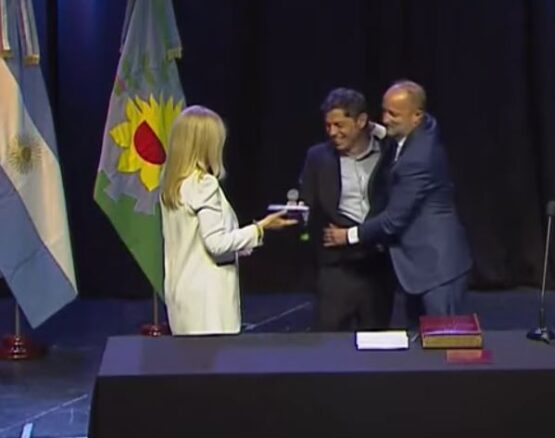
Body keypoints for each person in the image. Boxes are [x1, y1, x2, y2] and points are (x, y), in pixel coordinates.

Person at [336, 80, 471, 321]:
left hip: (437, 269)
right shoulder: (422, 129)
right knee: (418, 341)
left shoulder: (418, 159)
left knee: (444, 338)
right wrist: (373, 128)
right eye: (384, 111)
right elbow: (390, 132)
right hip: (419, 267)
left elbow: (393, 221)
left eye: (393, 114)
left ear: (416, 116)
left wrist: (348, 235)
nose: (385, 119)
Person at [160, 106, 296, 335]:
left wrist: (242, 244)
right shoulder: (203, 184)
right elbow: (217, 244)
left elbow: (195, 242)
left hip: (182, 293)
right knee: (214, 357)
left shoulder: (172, 185)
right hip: (207, 300)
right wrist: (260, 228)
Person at [300, 88, 395, 330]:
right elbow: (305, 202)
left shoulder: (389, 153)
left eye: (339, 125)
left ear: (361, 121)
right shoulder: (318, 157)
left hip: (378, 263)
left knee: (376, 339)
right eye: (328, 125)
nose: (332, 132)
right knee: (329, 341)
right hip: (337, 266)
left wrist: (375, 129)